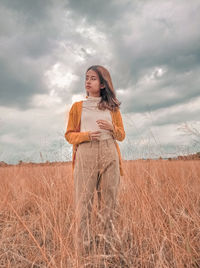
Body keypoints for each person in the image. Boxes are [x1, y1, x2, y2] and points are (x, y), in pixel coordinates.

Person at [65, 65, 125, 258]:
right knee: (84, 202)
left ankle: (107, 246)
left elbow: (121, 135)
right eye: (86, 78)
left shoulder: (112, 108)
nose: (88, 81)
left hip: (109, 152)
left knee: (110, 202)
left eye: (92, 78)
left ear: (102, 84)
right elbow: (69, 135)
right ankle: (84, 248)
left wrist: (111, 127)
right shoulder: (77, 107)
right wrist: (86, 136)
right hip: (86, 153)